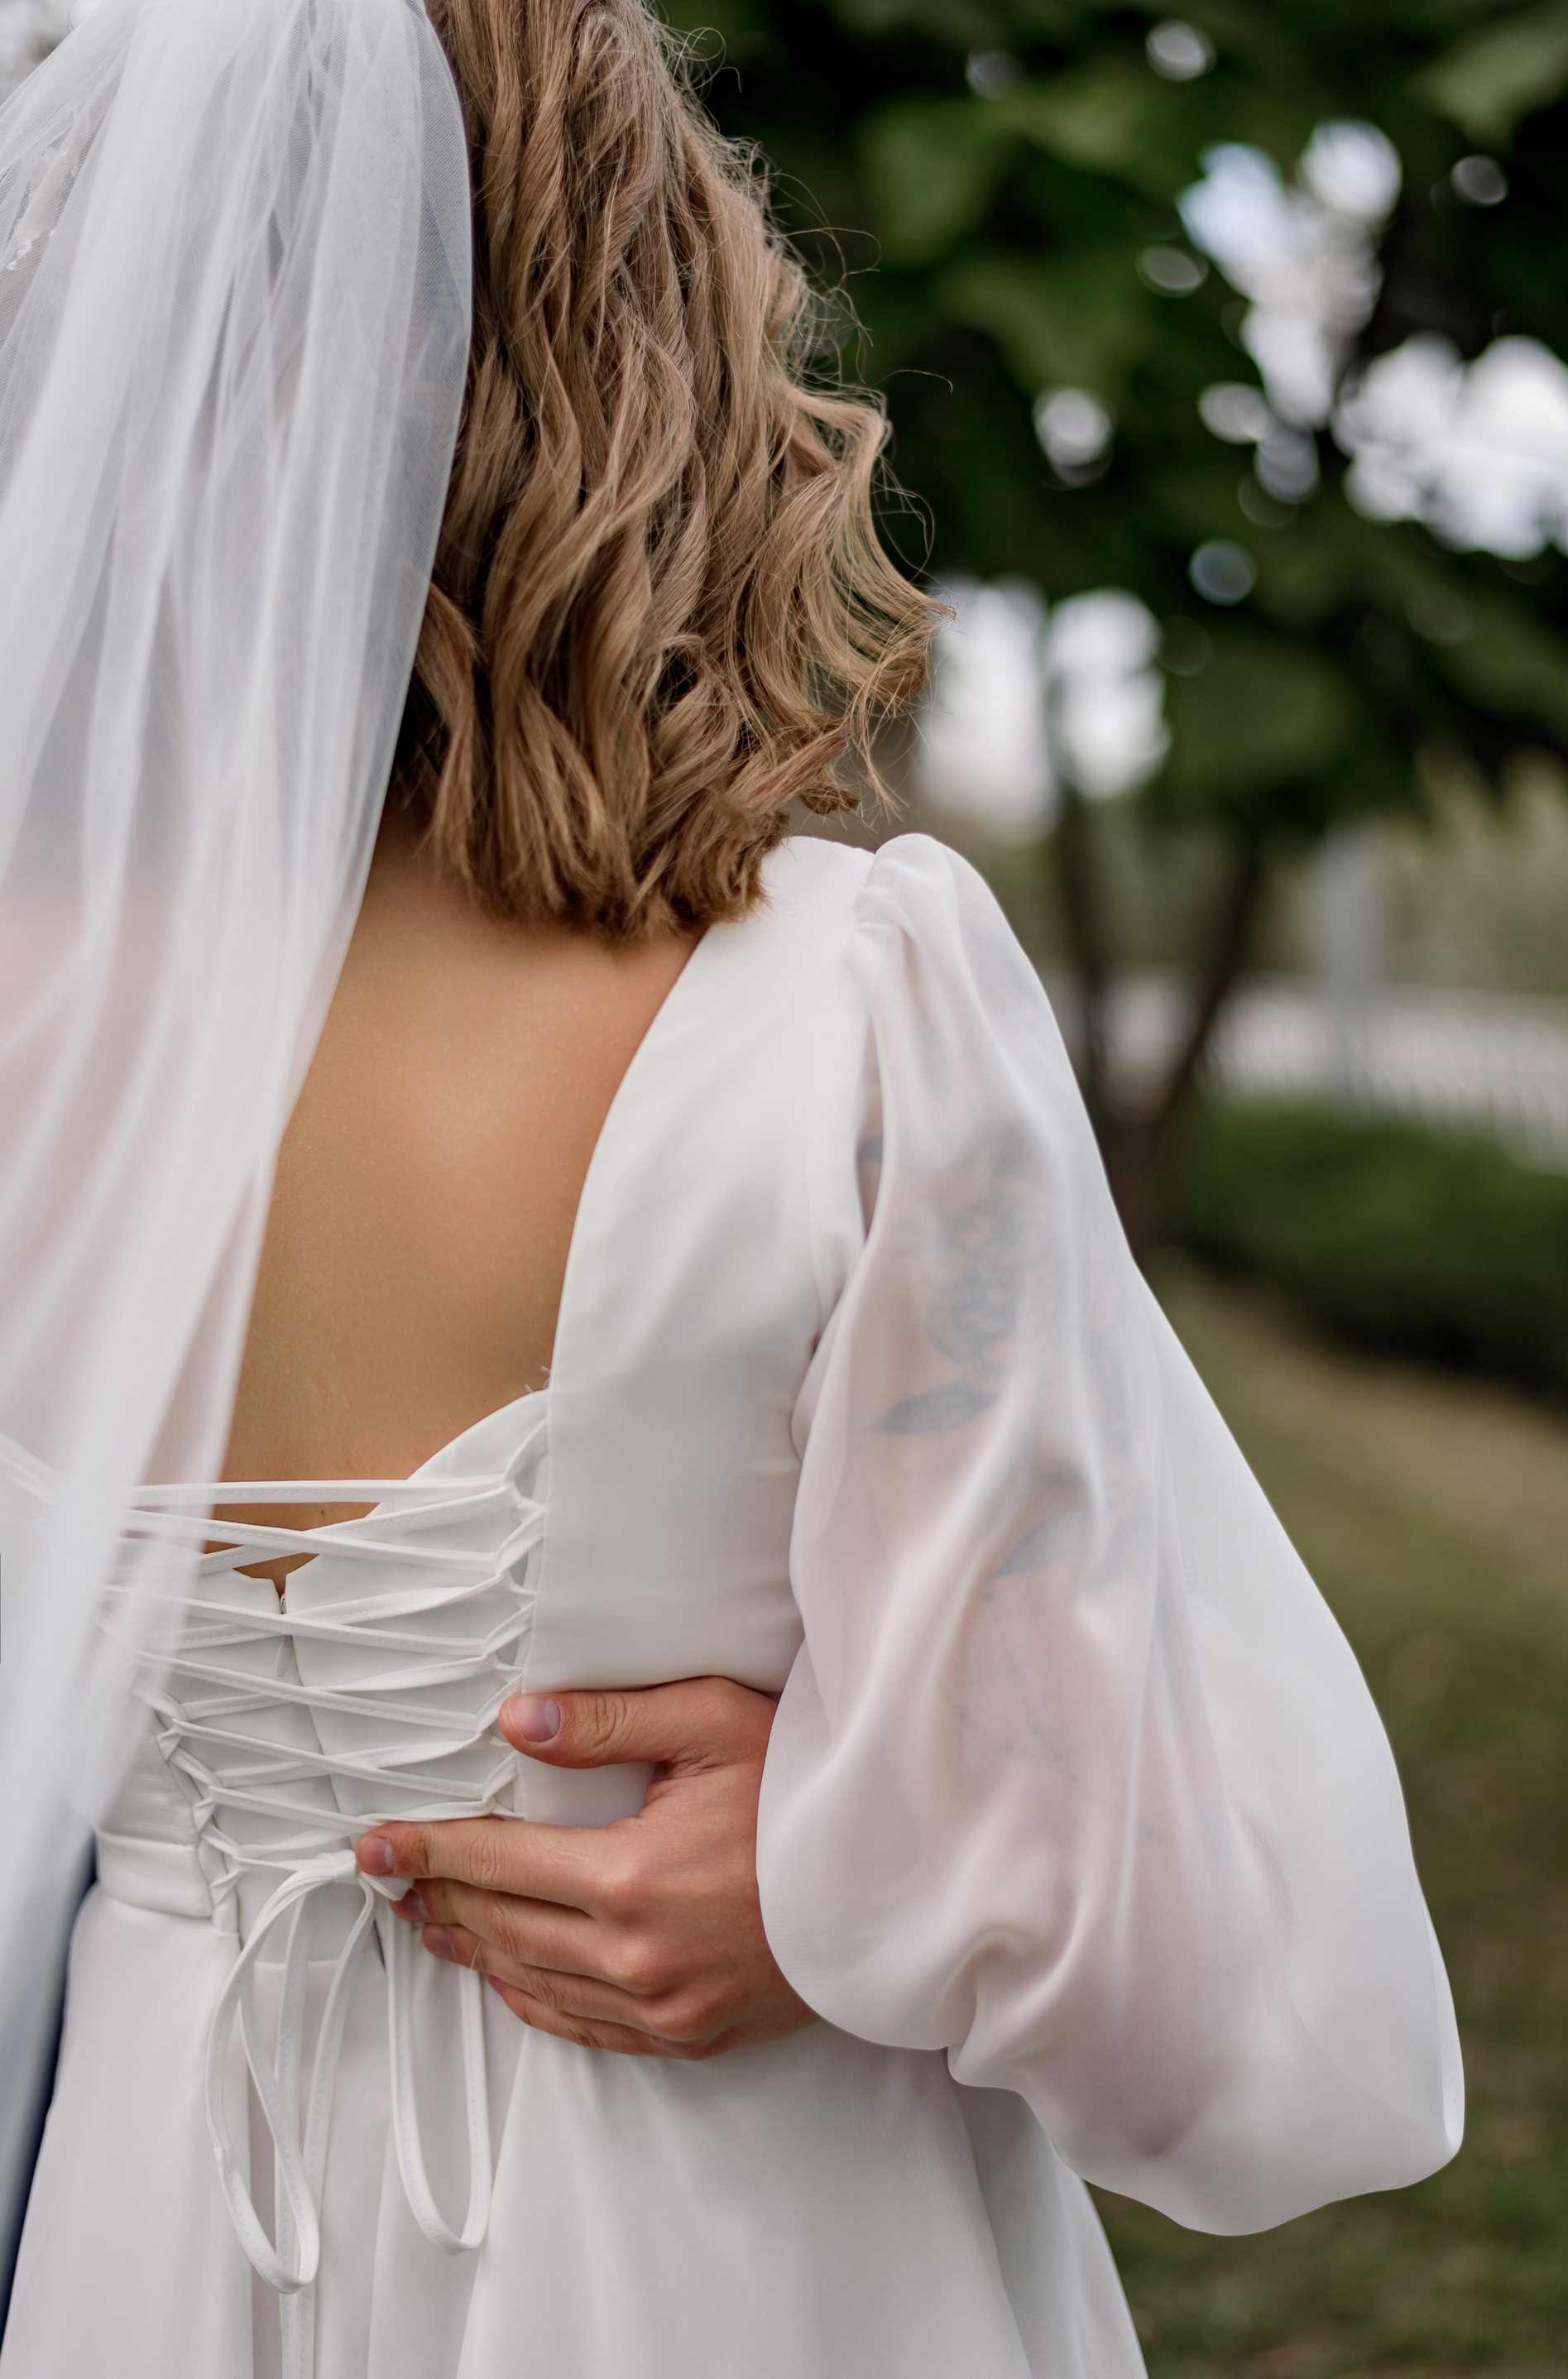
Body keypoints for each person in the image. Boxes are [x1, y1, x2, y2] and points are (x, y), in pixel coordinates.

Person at [0, 0, 1461, 2371]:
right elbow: (1208, 1956)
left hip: (154, 2222)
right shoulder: (841, 1006)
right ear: (633, 350)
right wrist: (853, 1879)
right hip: (728, 2239)